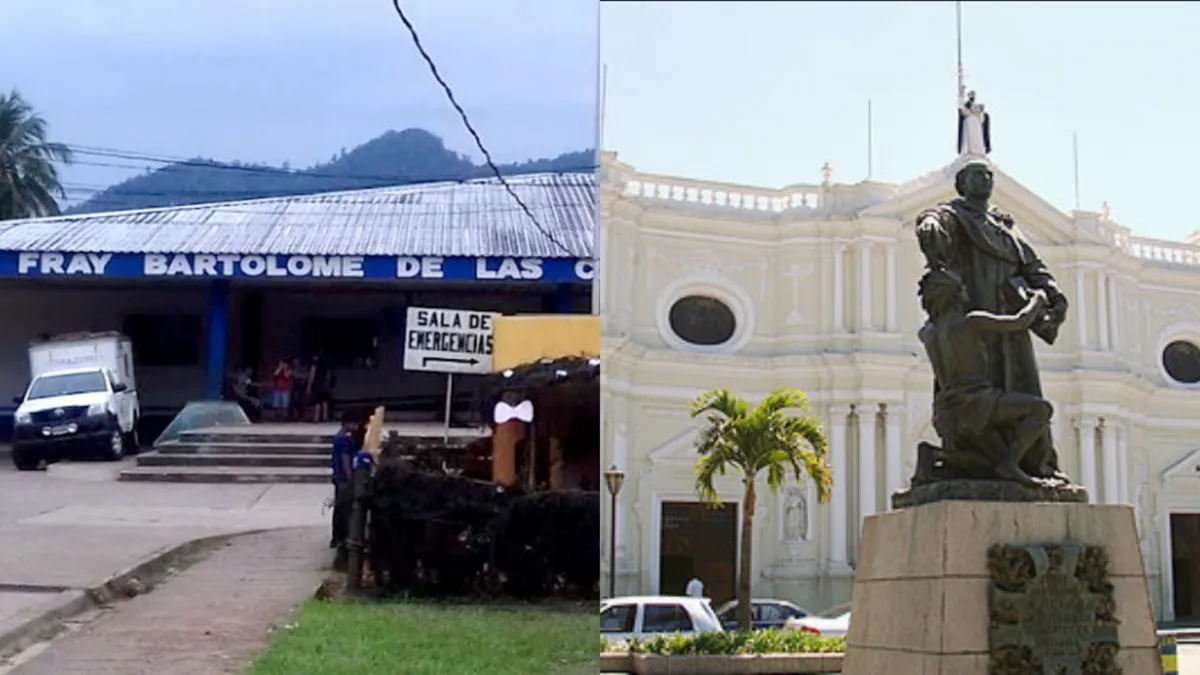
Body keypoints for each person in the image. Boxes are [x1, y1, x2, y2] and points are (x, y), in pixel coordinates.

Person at [915, 159, 1070, 481]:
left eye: (988, 174)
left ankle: (1031, 463)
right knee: (984, 385)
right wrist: (928, 223)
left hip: (1009, 316)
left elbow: (1032, 266)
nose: (985, 179)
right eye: (977, 174)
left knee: (1021, 383)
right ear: (962, 183)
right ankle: (980, 461)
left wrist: (1052, 295)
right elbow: (933, 220)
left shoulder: (1006, 225)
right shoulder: (953, 215)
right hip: (976, 302)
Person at [917, 267, 1053, 484]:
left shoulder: (927, 333)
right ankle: (1010, 464)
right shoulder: (970, 322)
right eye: (961, 288)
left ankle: (932, 454)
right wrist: (1038, 299)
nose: (965, 292)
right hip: (978, 400)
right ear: (953, 293)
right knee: (1041, 410)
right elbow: (1019, 320)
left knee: (987, 464)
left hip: (947, 409)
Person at [330, 410, 360, 552]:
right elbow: (345, 460)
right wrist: (350, 479)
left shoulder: (343, 437)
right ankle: (340, 537)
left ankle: (338, 537)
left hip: (339, 478)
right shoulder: (343, 439)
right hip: (343, 479)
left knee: (340, 508)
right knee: (343, 508)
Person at [307, 350, 335, 423]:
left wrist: (309, 385)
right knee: (325, 401)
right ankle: (325, 416)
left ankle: (316, 418)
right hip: (325, 383)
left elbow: (312, 375)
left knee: (317, 401)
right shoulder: (326, 364)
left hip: (317, 383)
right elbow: (329, 374)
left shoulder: (315, 364)